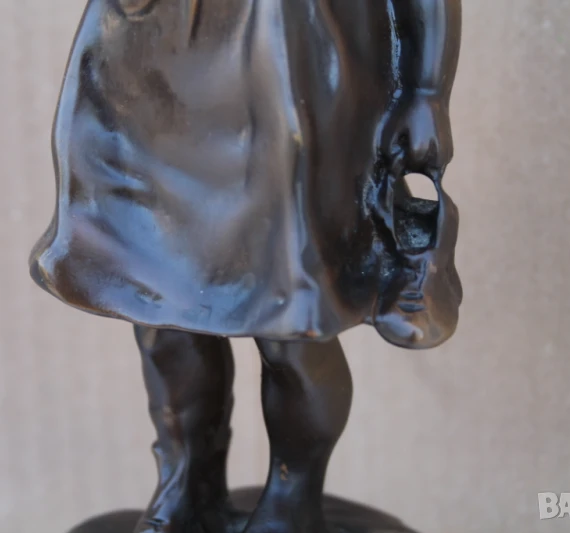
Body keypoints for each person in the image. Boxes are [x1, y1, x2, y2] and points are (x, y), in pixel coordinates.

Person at [29, 1, 462, 533]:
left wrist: (425, 92)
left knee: (289, 321)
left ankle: (291, 501)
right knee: (155, 299)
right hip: (141, 60)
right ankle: (186, 486)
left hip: (285, 68)